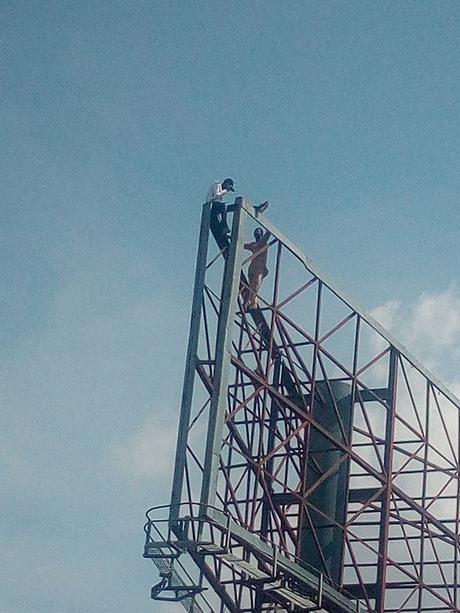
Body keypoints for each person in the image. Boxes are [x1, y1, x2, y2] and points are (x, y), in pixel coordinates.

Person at [243, 227, 271, 310]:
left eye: (258, 232)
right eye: (256, 232)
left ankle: (249, 302)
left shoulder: (263, 242)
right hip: (253, 269)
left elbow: (268, 234)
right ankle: (253, 303)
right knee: (253, 287)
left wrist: (266, 224)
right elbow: (243, 245)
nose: (257, 233)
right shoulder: (253, 245)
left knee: (255, 286)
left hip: (259, 269)